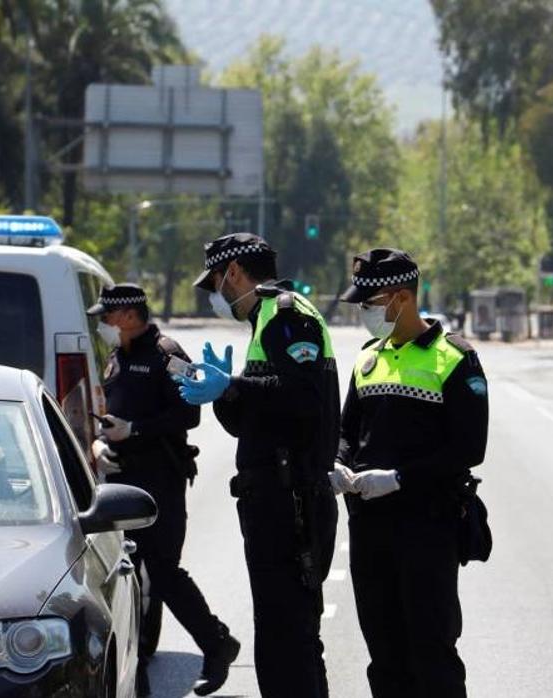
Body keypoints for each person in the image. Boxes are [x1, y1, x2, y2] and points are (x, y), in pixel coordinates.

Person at [174, 233, 341, 698]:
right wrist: (228, 394)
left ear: (234, 273)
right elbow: (259, 422)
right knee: (279, 636)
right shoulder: (266, 320)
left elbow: (304, 401)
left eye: (216, 283)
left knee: (291, 640)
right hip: (274, 502)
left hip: (292, 503)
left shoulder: (286, 316)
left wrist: (237, 387)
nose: (216, 295)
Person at [330, 248, 489, 698]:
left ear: (401, 298)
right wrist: (339, 464)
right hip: (369, 525)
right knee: (384, 653)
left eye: (370, 302)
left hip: (426, 525)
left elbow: (468, 449)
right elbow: (348, 430)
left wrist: (399, 477)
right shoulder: (367, 358)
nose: (364, 312)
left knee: (431, 650)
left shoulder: (455, 359)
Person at [87, 283, 240, 698]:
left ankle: (217, 643)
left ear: (131, 316)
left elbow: (189, 412)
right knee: (128, 571)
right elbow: (112, 410)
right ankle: (141, 654)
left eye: (107, 316)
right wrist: (101, 444)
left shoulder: (167, 354)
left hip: (160, 479)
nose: (102, 323)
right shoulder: (117, 355)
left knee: (164, 570)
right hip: (120, 477)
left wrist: (135, 430)